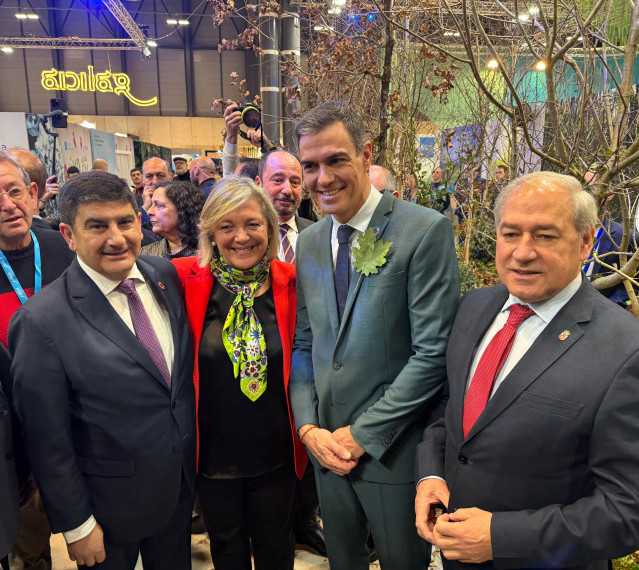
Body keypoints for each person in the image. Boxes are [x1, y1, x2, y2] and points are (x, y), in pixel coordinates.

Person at [415, 172, 639, 570]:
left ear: (586, 240)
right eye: (510, 233)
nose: (522, 252)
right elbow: (450, 409)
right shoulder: (474, 308)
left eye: (546, 235)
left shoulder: (625, 349)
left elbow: (627, 510)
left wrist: (501, 537)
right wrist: (430, 475)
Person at [290, 102, 460, 569]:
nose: (322, 178)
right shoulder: (308, 241)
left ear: (365, 155)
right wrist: (308, 427)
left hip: (394, 451)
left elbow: (432, 354)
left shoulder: (423, 231)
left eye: (336, 160)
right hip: (327, 450)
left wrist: (362, 435)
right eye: (310, 165)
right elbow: (306, 345)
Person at [9, 170, 196, 570]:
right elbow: (46, 438)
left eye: (125, 222)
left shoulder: (162, 276)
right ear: (68, 234)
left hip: (176, 490)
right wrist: (76, 525)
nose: (116, 238)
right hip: (106, 512)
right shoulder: (41, 321)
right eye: (97, 226)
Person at [172, 175, 308, 570]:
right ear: (211, 233)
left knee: (276, 546)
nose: (241, 237)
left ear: (269, 224)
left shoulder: (292, 282)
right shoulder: (182, 279)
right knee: (226, 547)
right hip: (212, 456)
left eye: (252, 224)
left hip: (278, 453)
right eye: (227, 226)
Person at [141, 180, 204, 260]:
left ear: (182, 209)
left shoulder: (207, 252)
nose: (149, 212)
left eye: (159, 205)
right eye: (151, 204)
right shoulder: (146, 254)